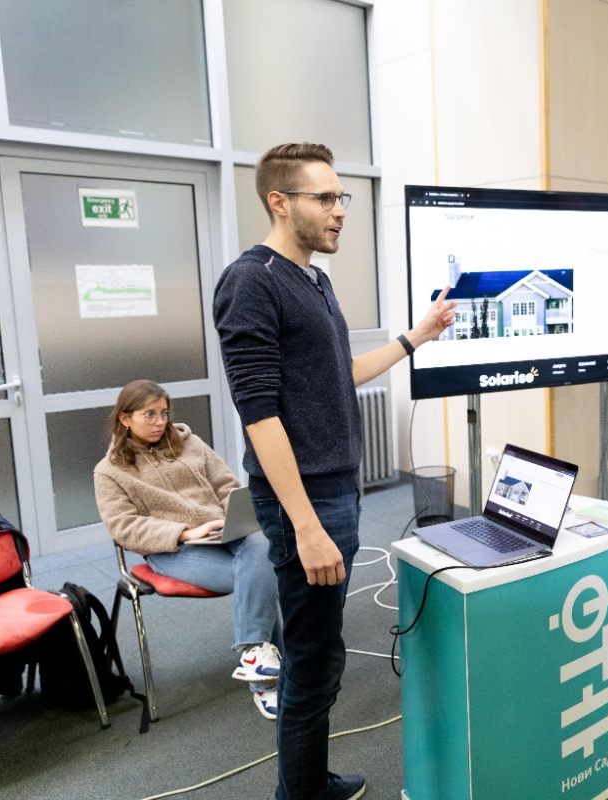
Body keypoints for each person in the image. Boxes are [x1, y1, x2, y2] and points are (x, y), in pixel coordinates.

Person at [213, 142, 455, 800]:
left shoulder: (313, 281)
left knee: (318, 652)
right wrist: (306, 526)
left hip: (335, 493)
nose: (340, 210)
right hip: (306, 504)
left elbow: (339, 376)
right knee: (314, 661)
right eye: (324, 198)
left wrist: (416, 337)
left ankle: (309, 781)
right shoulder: (251, 281)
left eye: (340, 197)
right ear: (279, 202)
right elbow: (260, 415)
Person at [93, 379, 283, 719]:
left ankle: (256, 657)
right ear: (124, 418)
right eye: (149, 414)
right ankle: (265, 678)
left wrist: (233, 517)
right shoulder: (110, 471)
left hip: (222, 531)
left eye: (164, 413)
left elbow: (227, 486)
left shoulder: (189, 443)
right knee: (259, 574)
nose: (159, 422)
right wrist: (183, 533)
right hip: (172, 549)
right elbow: (124, 527)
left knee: (260, 546)